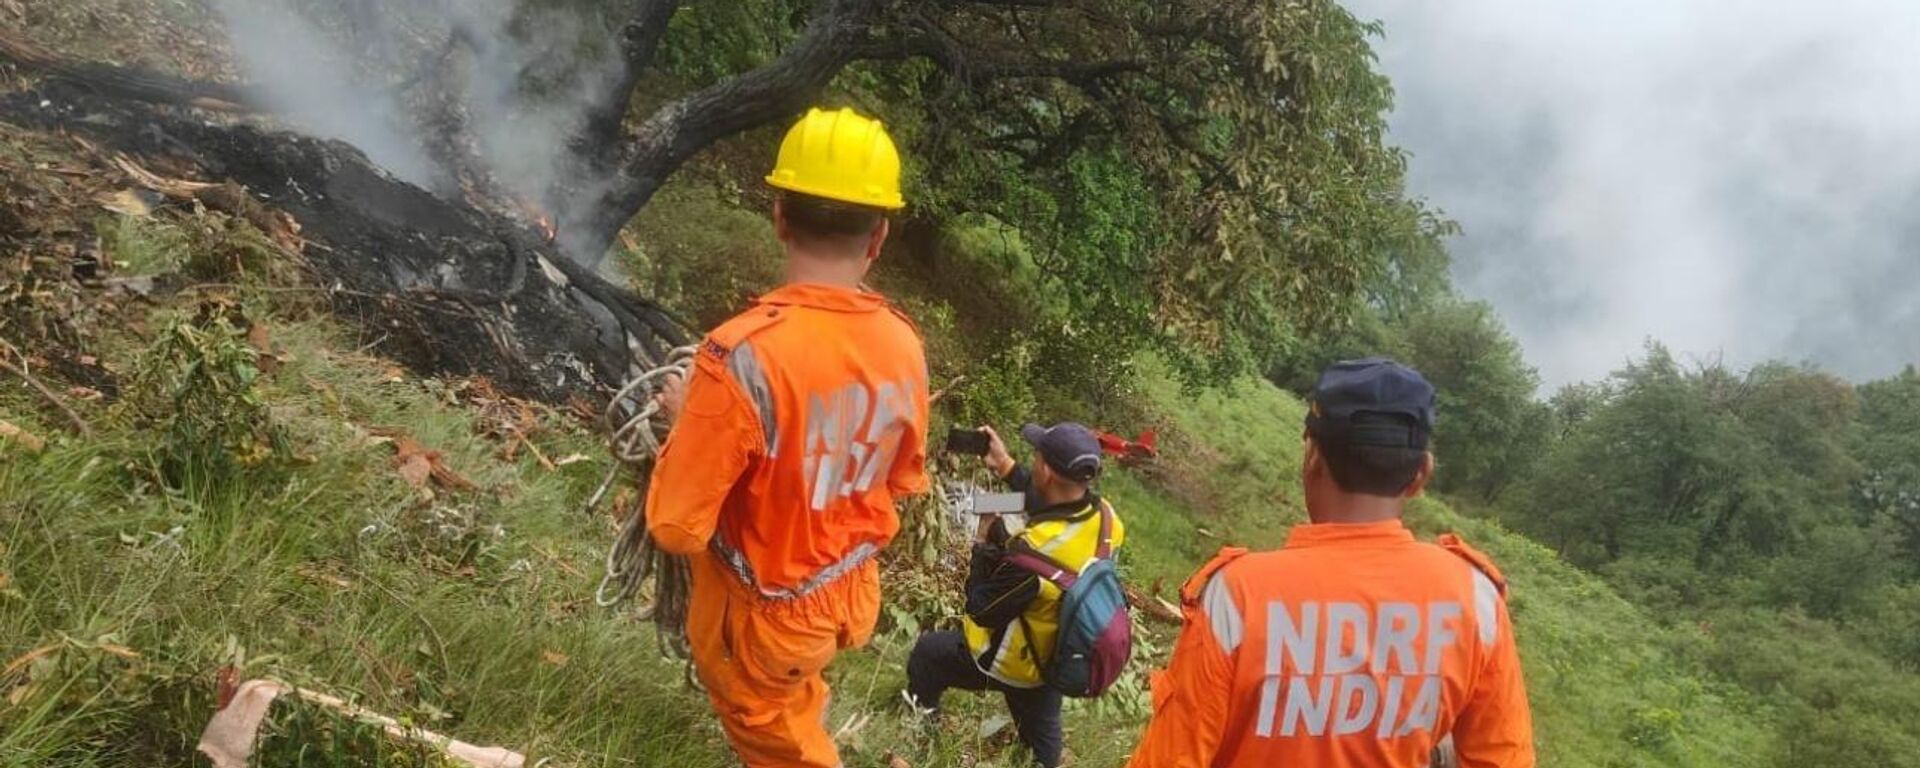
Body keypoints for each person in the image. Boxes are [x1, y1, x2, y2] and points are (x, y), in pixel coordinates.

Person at [644, 106, 931, 768]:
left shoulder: (740, 356)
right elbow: (902, 476)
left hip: (762, 624)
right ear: (878, 235)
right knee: (795, 703)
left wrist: (689, 424)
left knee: (782, 746)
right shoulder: (903, 344)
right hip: (846, 597)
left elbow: (676, 529)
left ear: (778, 216)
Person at [1128, 358, 1534, 768]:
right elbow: (1503, 758)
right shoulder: (1476, 599)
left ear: (1312, 457)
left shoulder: (1236, 596)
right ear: (1420, 477)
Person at [906, 422, 1127, 768]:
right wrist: (1006, 466)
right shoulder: (1108, 519)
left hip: (1013, 663)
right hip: (1058, 654)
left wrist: (982, 543)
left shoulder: (1032, 555)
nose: (1033, 459)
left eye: (1035, 455)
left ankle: (921, 732)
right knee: (1043, 754)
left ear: (1045, 469)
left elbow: (980, 608)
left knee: (926, 655)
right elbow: (1051, 504)